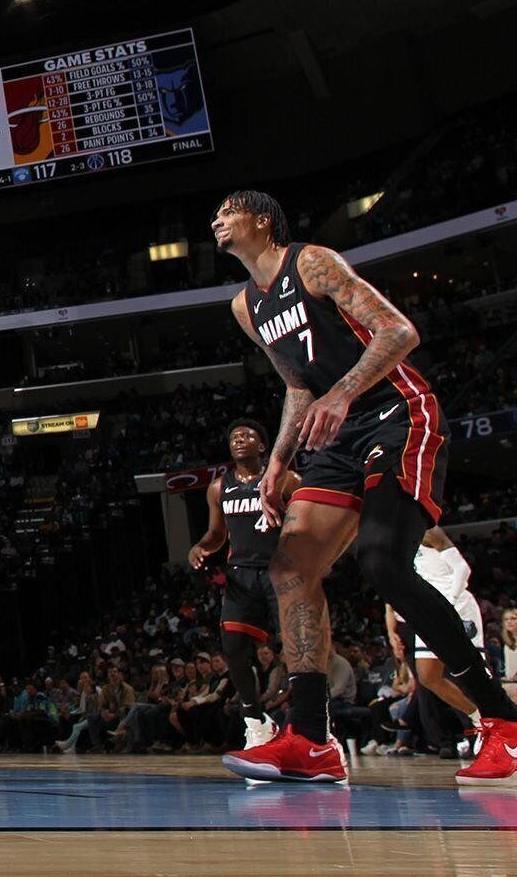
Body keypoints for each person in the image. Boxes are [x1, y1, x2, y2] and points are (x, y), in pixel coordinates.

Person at [210, 190, 517, 785]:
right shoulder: (246, 305)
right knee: (290, 568)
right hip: (335, 436)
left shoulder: (313, 262)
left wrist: (345, 391)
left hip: (398, 414)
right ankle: (310, 740)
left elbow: (399, 332)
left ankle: (502, 720)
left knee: (383, 562)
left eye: (229, 209)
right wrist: (278, 461)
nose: (217, 220)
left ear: (264, 220)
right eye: (215, 215)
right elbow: (298, 386)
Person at [187, 417, 298, 749]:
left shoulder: (286, 480)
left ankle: (313, 725)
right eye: (234, 436)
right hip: (241, 575)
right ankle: (256, 722)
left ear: (263, 446)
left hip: (280, 571)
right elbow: (217, 534)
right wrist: (200, 547)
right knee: (234, 650)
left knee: (296, 651)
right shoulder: (219, 487)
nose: (239, 440)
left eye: (247, 435)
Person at [385, 527, 486, 755]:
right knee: (428, 677)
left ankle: (500, 723)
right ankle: (479, 719)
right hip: (428, 611)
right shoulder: (395, 543)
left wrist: (449, 601)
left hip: (456, 605)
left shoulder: (427, 531)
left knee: (473, 675)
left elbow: (462, 568)